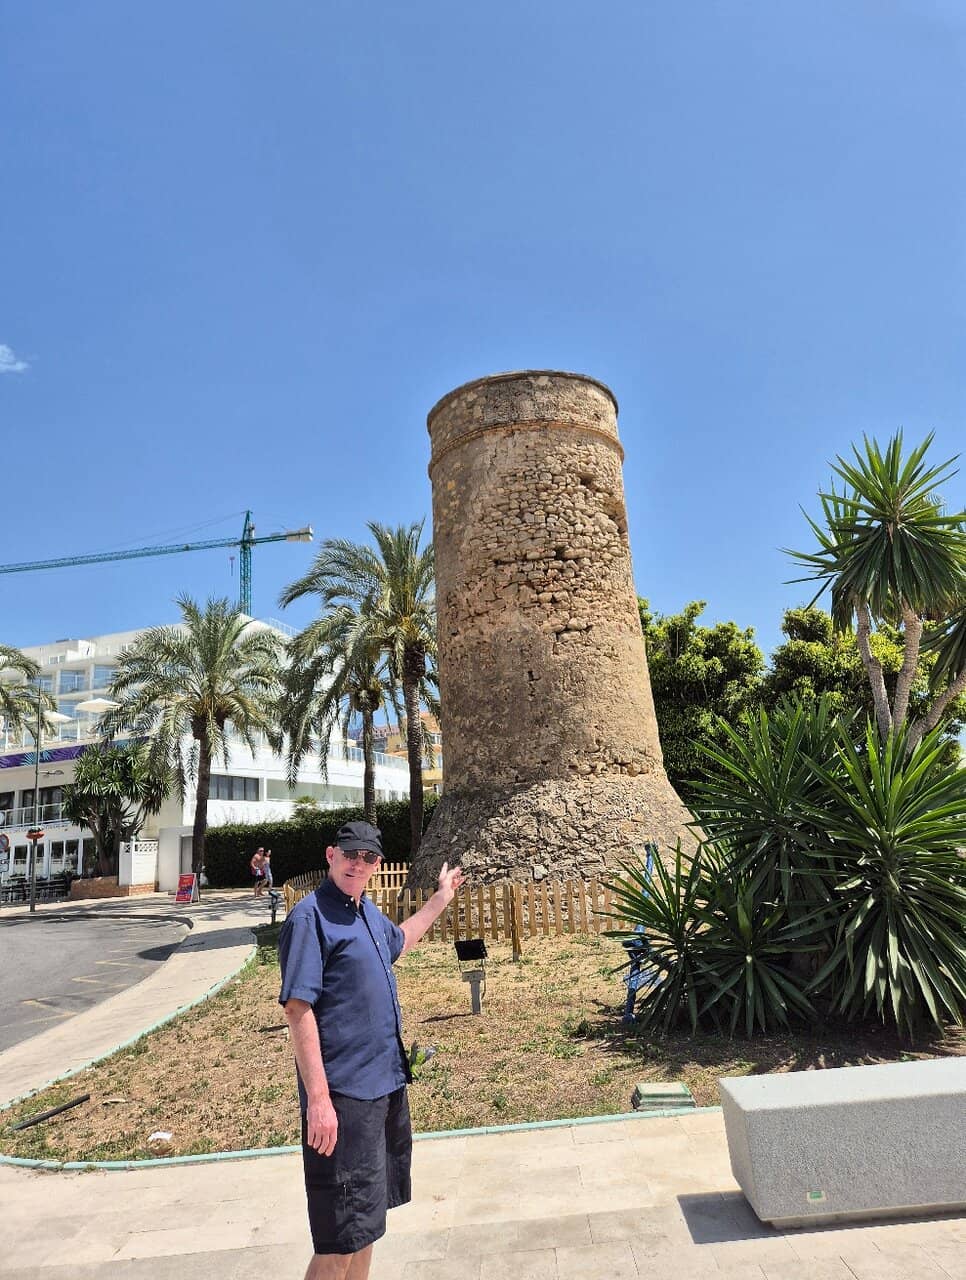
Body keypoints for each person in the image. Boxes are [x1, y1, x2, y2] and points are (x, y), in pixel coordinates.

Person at [278, 820, 463, 1280]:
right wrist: (318, 1102)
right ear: (330, 856)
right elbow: (298, 1010)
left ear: (376, 866)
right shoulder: (310, 918)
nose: (357, 864)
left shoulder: (364, 911)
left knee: (366, 1228)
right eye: (350, 854)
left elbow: (401, 939)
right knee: (339, 1240)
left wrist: (440, 899)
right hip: (344, 1099)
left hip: (383, 1089)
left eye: (368, 858)